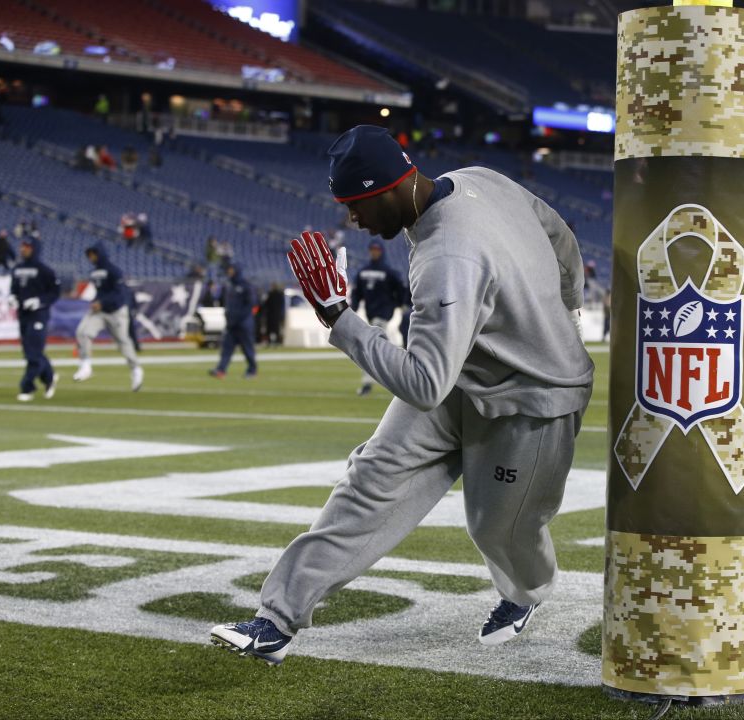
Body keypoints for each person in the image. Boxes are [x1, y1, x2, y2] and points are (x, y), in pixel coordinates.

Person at [210, 125, 593, 664]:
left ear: (388, 188)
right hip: (464, 374)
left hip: (534, 394)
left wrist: (338, 320)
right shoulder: (477, 179)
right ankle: (276, 619)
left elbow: (422, 381)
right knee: (370, 479)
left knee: (498, 528)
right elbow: (558, 233)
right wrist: (570, 304)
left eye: (356, 205)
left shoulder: (448, 257)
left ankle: (524, 593)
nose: (353, 220)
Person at [73, 242, 144, 390]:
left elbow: (120, 294)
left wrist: (103, 302)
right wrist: (97, 302)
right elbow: (101, 292)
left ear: (99, 253)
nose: (90, 257)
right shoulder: (94, 273)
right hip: (100, 311)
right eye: (89, 254)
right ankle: (86, 365)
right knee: (83, 332)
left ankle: (136, 369)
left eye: (93, 254)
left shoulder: (114, 271)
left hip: (116, 311)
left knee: (123, 342)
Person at [349, 240, 406, 395]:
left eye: (376, 250)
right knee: (383, 347)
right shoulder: (364, 271)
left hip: (382, 314)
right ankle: (401, 374)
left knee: (369, 346)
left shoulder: (389, 272)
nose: (374, 252)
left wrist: (398, 304)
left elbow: (401, 290)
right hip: (371, 313)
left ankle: (368, 383)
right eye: (372, 249)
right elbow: (357, 293)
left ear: (381, 251)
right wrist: (352, 308)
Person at [10, 237, 60, 401]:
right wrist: (13, 297)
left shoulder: (45, 270)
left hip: (39, 315)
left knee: (34, 352)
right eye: (22, 246)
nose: (23, 249)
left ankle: (27, 387)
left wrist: (40, 301)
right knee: (29, 351)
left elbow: (54, 292)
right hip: (23, 314)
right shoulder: (17, 268)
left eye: (26, 246)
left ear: (34, 248)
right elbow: (15, 288)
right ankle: (50, 377)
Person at [208, 263, 258, 379]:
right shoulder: (229, 286)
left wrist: (240, 318)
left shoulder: (246, 286)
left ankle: (252, 370)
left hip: (243, 323)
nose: (229, 272)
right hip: (231, 324)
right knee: (227, 348)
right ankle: (221, 370)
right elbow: (226, 303)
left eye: (231, 270)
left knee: (247, 348)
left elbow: (251, 304)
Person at [262, 282, 286, 347]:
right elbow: (282, 305)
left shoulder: (270, 294)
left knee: (271, 329)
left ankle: (271, 341)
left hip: (271, 315)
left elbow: (265, 304)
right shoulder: (279, 294)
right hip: (276, 315)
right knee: (275, 328)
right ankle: (275, 341)